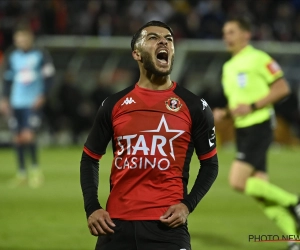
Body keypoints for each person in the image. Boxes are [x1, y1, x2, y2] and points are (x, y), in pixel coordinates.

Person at [80, 20, 218, 250]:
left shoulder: (195, 106)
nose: (164, 41)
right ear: (137, 53)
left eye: (169, 39)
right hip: (115, 226)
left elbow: (210, 164)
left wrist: (187, 205)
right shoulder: (113, 105)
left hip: (167, 228)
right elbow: (90, 158)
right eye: (153, 37)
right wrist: (92, 207)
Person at [213, 17, 300, 250]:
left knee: (237, 181)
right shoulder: (228, 67)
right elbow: (238, 104)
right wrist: (225, 114)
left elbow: (282, 88)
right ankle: (294, 239)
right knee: (260, 189)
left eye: (231, 32)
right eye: (224, 32)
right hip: (242, 128)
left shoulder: (258, 58)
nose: (226, 37)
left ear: (246, 35)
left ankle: (295, 203)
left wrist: (253, 106)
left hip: (259, 125)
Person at [0, 26, 55, 188]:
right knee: (17, 138)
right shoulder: (13, 57)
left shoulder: (40, 55)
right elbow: (8, 80)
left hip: (33, 102)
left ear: (30, 38)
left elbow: (49, 77)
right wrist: (4, 99)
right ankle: (22, 173)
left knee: (28, 135)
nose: (21, 42)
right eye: (18, 39)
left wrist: (43, 95)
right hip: (16, 102)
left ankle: (35, 171)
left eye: (23, 39)